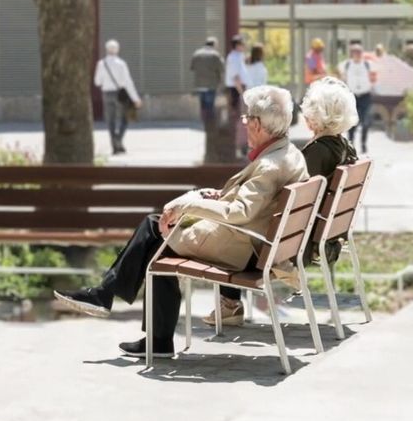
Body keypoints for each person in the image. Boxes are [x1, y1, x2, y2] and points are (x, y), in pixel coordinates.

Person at [53, 86, 307, 357]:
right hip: (255, 245)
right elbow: (255, 203)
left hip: (240, 248)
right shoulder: (290, 154)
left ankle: (111, 301)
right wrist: (219, 195)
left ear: (256, 124)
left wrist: (187, 205)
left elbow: (240, 212)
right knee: (156, 238)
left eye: (246, 119)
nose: (243, 124)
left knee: (154, 231)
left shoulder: (269, 166)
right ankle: (130, 317)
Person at [205, 77, 358, 327]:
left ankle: (229, 304)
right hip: (320, 236)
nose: (305, 115)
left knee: (235, 230)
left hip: (294, 244)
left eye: (309, 110)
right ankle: (230, 304)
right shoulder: (344, 147)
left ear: (318, 116)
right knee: (241, 223)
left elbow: (284, 199)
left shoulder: (317, 153)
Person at [95, 40, 142, 156]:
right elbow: (128, 82)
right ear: (117, 50)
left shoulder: (101, 64)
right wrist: (135, 98)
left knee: (110, 120)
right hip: (120, 93)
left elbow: (97, 82)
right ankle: (118, 139)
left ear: (106, 49)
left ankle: (115, 147)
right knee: (124, 118)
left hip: (106, 93)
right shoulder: (121, 63)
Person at [339, 42, 378, 151]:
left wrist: (372, 85)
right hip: (352, 96)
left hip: (365, 96)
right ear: (351, 53)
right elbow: (342, 77)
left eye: (359, 52)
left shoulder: (368, 64)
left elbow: (375, 76)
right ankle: (350, 145)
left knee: (366, 121)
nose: (357, 54)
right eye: (355, 52)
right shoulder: (346, 65)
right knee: (352, 122)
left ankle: (363, 143)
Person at [190, 37, 225, 128]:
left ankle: (203, 122)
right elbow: (221, 68)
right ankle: (209, 124)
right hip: (211, 84)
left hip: (199, 84)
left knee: (203, 105)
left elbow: (192, 67)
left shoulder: (196, 53)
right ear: (214, 44)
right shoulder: (215, 55)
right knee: (209, 106)